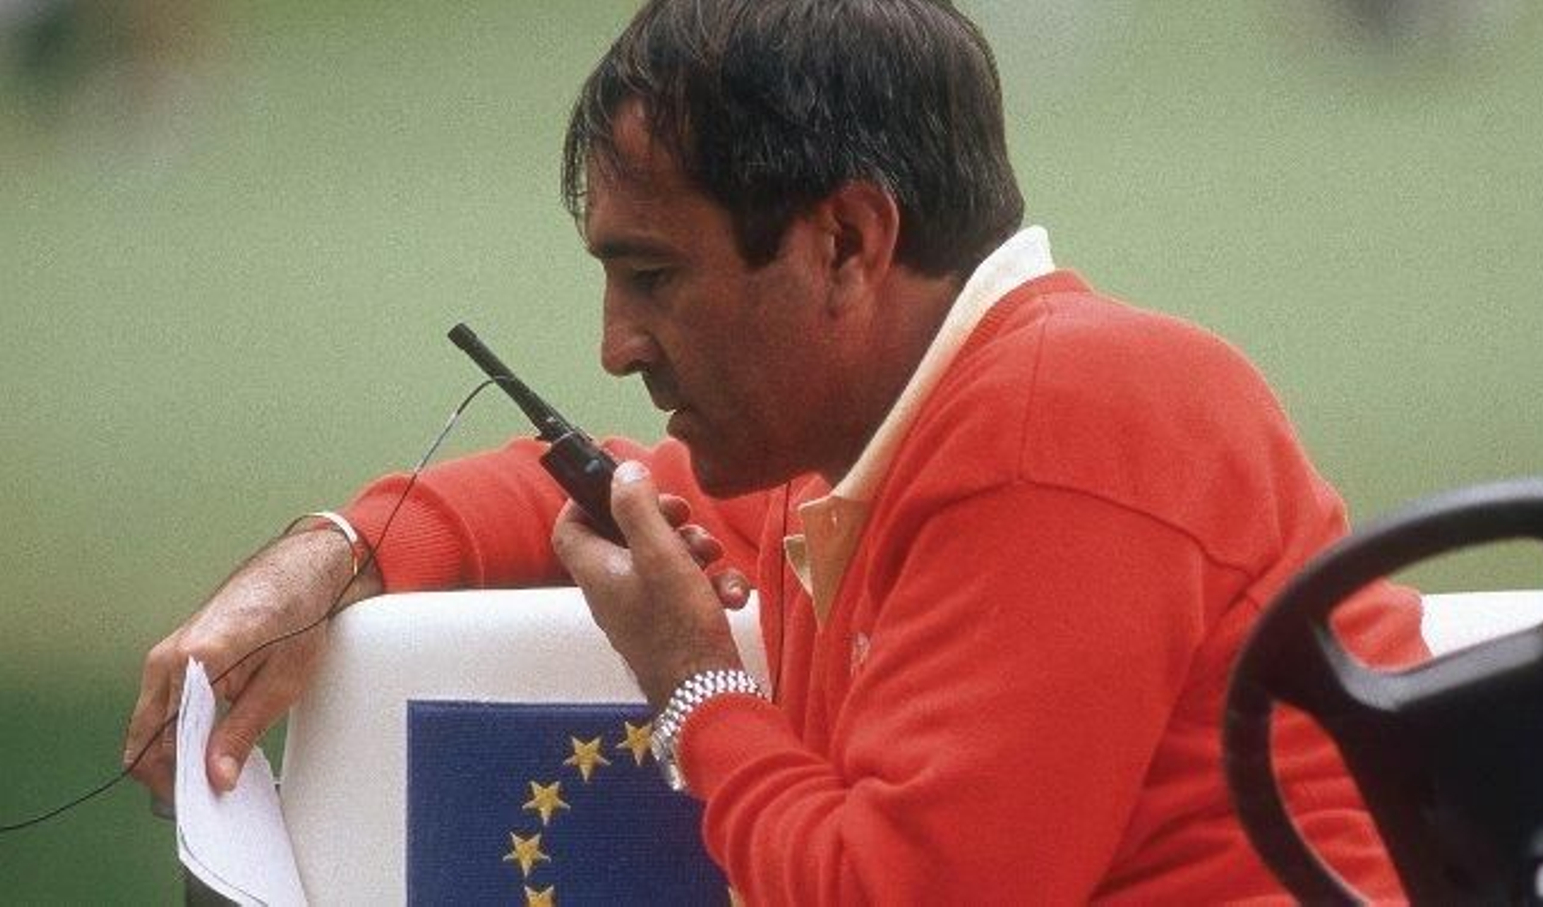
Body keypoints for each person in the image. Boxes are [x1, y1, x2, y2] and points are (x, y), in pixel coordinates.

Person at [125, 0, 1424, 901]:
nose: (616, 345)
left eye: (653, 277)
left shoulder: (1056, 423)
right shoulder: (895, 427)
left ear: (847, 245)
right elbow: (600, 494)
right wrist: (329, 559)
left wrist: (692, 682)